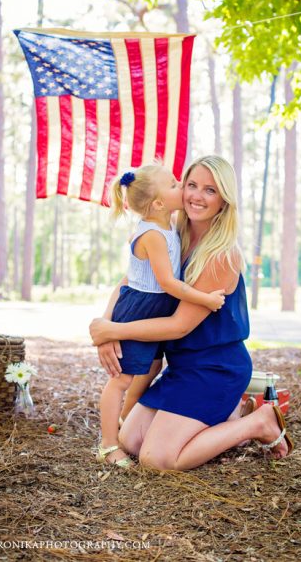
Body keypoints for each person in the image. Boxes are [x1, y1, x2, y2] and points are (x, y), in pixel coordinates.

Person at [90, 155, 294, 471]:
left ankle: (258, 422)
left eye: (210, 190)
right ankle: (230, 414)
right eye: (191, 185)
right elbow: (132, 279)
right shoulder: (172, 236)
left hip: (216, 369)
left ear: (224, 200)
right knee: (131, 441)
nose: (197, 196)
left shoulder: (220, 254)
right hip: (182, 366)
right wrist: (106, 323)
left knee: (157, 459)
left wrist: (114, 332)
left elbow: (179, 326)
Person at [97, 163, 226, 468]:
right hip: (141, 308)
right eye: (174, 185)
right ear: (157, 203)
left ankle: (126, 421)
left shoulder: (171, 225)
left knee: (149, 369)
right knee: (121, 379)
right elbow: (167, 282)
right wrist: (205, 299)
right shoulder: (153, 234)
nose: (181, 187)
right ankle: (107, 443)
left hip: (156, 308)